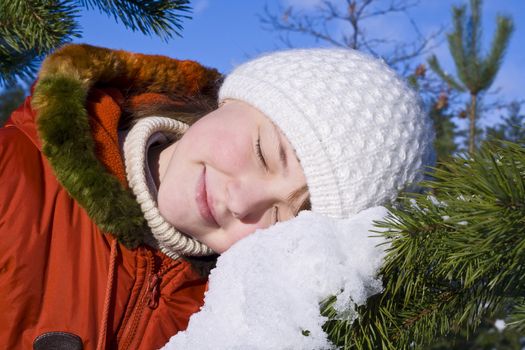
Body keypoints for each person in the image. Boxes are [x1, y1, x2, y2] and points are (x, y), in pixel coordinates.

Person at [0, 44, 433, 349]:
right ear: (234, 99)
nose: (244, 203)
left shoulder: (235, 319)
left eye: (283, 219)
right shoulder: (12, 173)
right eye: (265, 154)